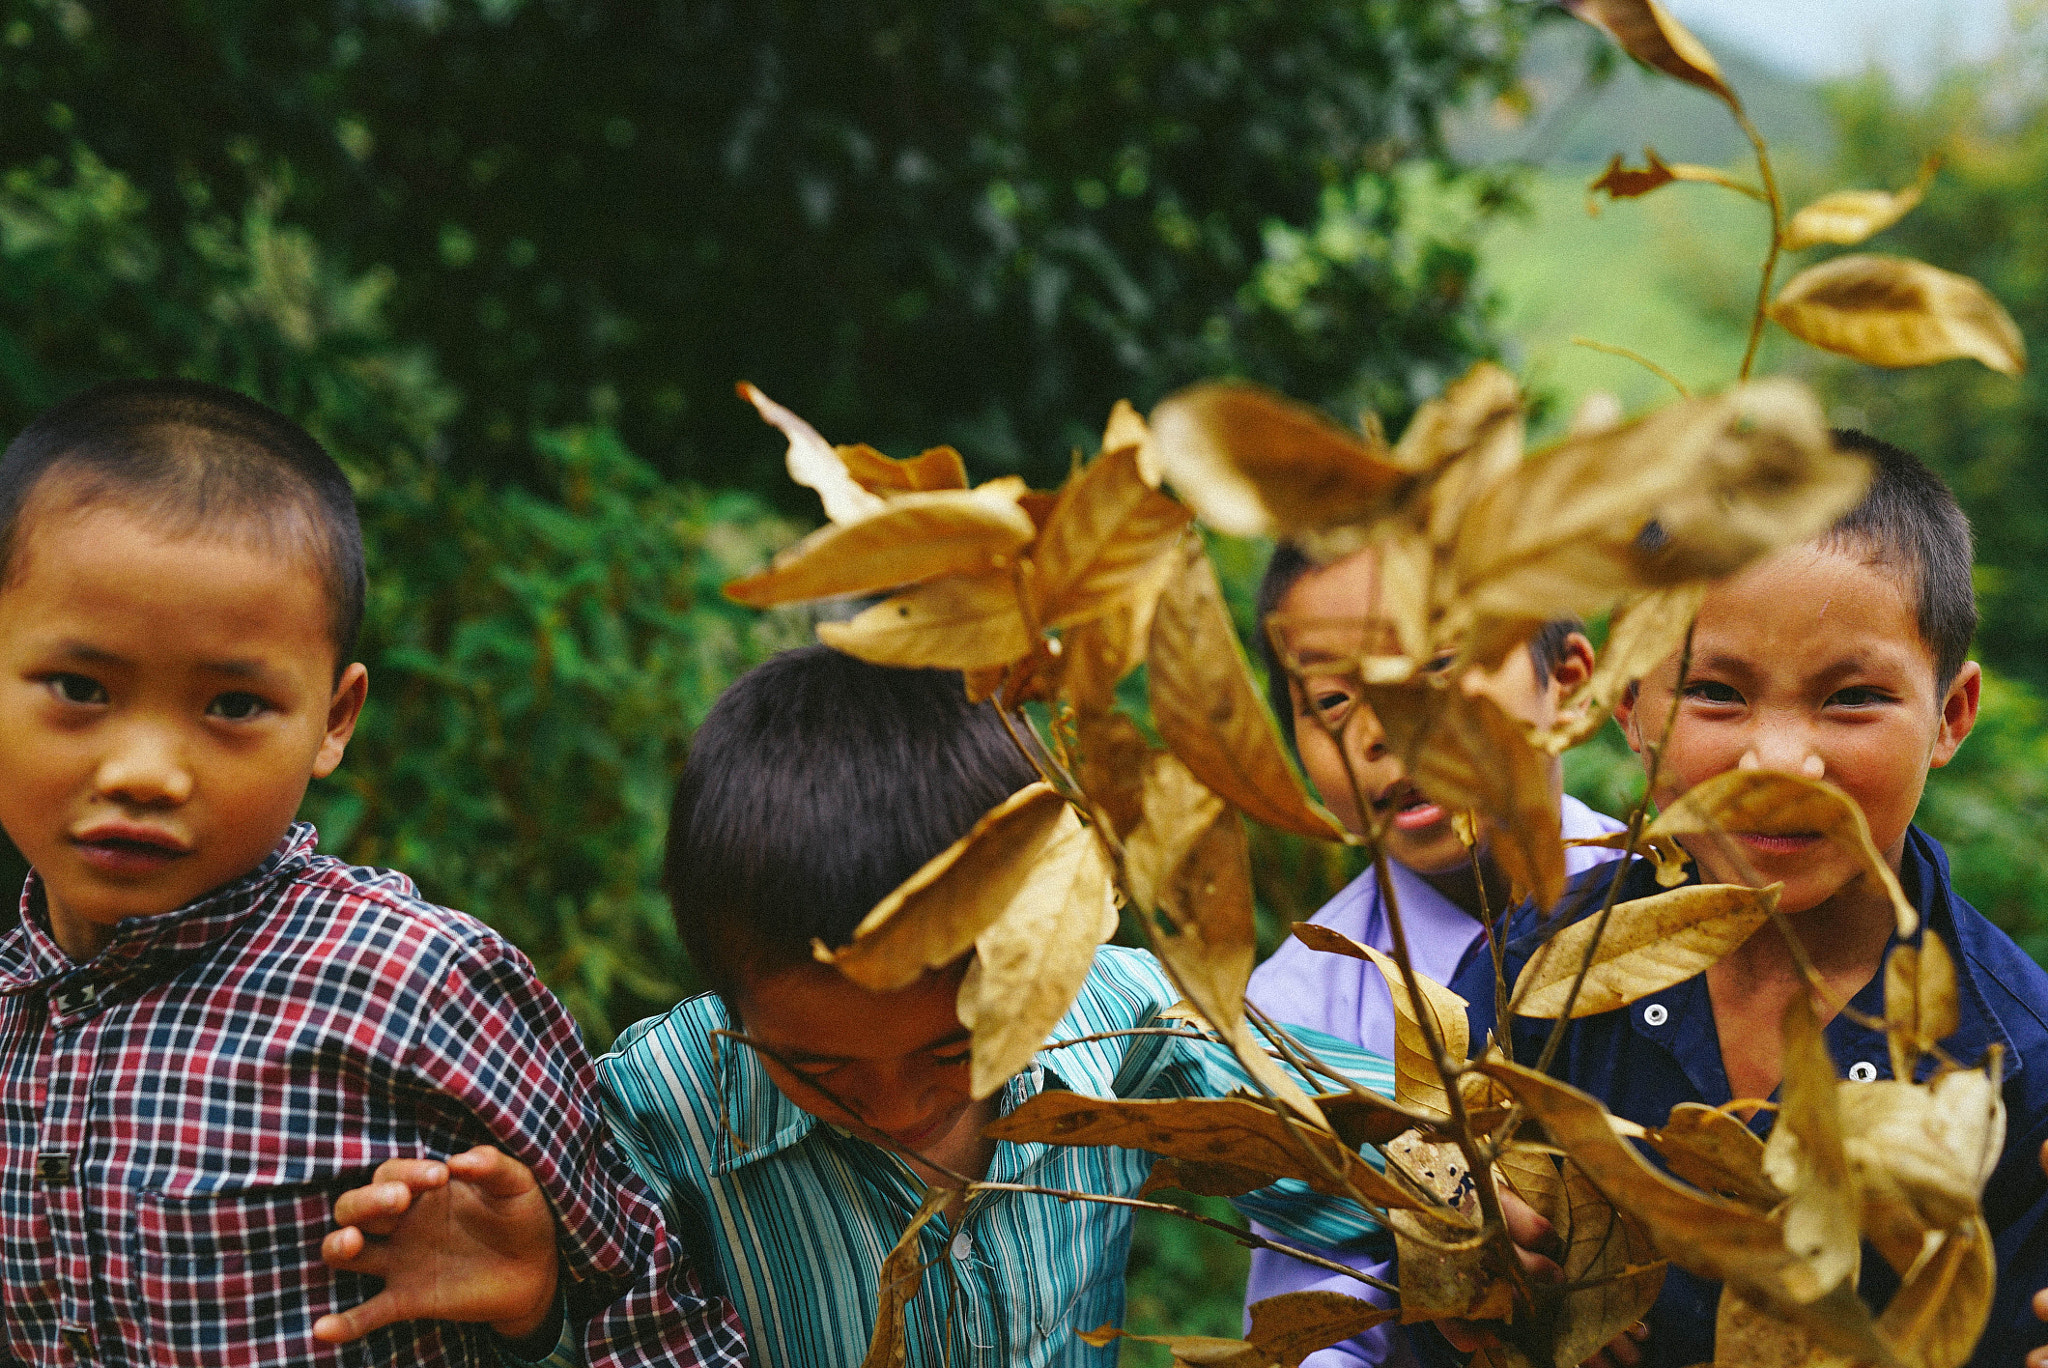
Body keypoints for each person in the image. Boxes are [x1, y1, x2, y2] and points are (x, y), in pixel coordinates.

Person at [323, 645, 1428, 1367]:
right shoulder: (653, 1120)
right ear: (728, 995)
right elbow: (618, 1324)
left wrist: (1461, 1215)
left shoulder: (1118, 1020)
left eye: (956, 1051)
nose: (899, 1106)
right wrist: (537, 1307)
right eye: (823, 1072)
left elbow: (1367, 1171)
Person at [0, 379, 744, 1368]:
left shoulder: (412, 984)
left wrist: (537, 1306)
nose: (144, 772)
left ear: (333, 721)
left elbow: (650, 1299)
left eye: (230, 705)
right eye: (81, 689)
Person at [1451, 431, 2048, 1368]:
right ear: (1629, 703)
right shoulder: (1540, 968)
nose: (1779, 761)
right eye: (1716, 692)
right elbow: (1444, 1271)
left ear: (1951, 715)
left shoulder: (2016, 1064)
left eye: (1852, 698)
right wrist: (1474, 1276)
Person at [1243, 543, 1627, 1368]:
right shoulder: (1294, 1011)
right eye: (1334, 700)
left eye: (1439, 667)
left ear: (1566, 679)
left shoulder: (1674, 901)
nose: (1385, 730)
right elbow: (1320, 1329)